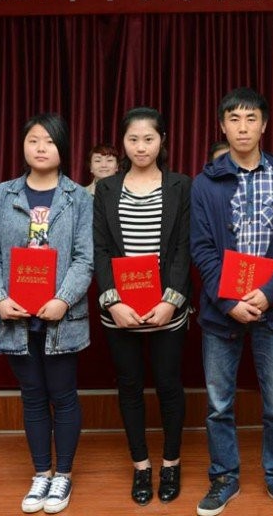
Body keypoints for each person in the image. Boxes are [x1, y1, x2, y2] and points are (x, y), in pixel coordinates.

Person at [191, 87, 273, 516]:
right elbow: (202, 249)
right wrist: (229, 302)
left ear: (264, 125)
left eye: (251, 119)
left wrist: (268, 293)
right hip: (222, 312)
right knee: (218, 405)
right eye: (234, 119)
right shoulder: (205, 182)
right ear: (222, 127)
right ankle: (224, 478)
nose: (243, 127)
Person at [0, 113, 93, 515]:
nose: (41, 148)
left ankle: (63, 474)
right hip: (16, 316)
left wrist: (63, 299)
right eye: (33, 140)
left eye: (49, 141)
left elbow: (85, 258)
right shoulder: (2, 195)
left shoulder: (78, 197)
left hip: (62, 318)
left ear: (63, 148)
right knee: (32, 396)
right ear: (23, 146)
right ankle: (41, 473)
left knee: (63, 395)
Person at [93, 108, 191, 506]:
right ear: (123, 143)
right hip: (120, 311)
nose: (140, 147)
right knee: (130, 387)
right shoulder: (107, 188)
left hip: (167, 310)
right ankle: (141, 465)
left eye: (148, 139)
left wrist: (172, 301)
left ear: (162, 140)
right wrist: (113, 302)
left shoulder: (181, 185)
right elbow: (100, 249)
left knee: (169, 386)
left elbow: (183, 249)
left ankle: (171, 462)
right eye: (133, 139)